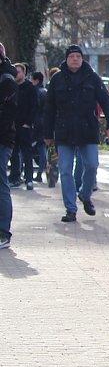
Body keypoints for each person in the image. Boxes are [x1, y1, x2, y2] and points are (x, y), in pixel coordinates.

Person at [43, 45, 109, 222]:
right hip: (64, 131)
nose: (75, 59)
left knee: (91, 165)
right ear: (67, 59)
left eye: (78, 56)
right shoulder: (58, 79)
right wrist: (47, 133)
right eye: (72, 57)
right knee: (66, 170)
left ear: (82, 59)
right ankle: (70, 209)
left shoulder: (92, 78)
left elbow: (106, 101)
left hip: (87, 130)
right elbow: (49, 108)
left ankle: (85, 194)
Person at [9, 63, 38, 190]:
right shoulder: (11, 87)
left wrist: (28, 122)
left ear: (24, 73)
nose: (16, 74)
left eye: (18, 72)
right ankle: (15, 177)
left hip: (25, 126)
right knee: (13, 153)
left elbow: (34, 107)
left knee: (27, 153)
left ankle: (29, 178)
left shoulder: (30, 88)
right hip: (12, 125)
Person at [0, 45, 18, 249]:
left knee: (1, 185)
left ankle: (3, 232)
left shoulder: (6, 81)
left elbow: (8, 114)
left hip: (2, 140)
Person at [30, 71, 48, 183]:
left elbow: (34, 108)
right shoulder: (46, 91)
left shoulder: (35, 92)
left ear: (36, 80)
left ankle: (33, 173)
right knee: (42, 148)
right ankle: (41, 172)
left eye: (32, 79)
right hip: (46, 123)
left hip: (36, 123)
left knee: (28, 147)